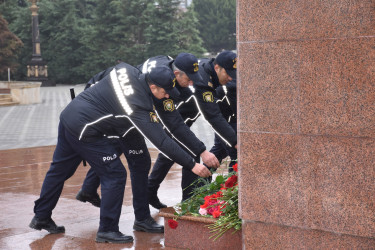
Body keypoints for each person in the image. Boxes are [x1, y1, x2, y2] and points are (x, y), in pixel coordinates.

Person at [29, 62, 212, 244]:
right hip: (87, 129)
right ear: (152, 86)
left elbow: (99, 79)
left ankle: (41, 216)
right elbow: (162, 141)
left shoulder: (128, 69)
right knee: (114, 174)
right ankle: (107, 230)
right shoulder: (138, 104)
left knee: (61, 170)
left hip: (72, 115)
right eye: (164, 93)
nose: (166, 97)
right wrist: (192, 164)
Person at [76, 53, 220, 210]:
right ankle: (148, 206)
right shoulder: (163, 77)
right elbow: (170, 129)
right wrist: (198, 154)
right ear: (176, 73)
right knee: (131, 152)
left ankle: (89, 190)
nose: (192, 83)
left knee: (120, 145)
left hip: (132, 100)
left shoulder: (167, 69)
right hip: (119, 100)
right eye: (189, 79)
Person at [148, 50, 238, 207]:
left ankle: (186, 201)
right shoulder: (181, 80)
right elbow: (213, 116)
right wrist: (234, 141)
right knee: (184, 152)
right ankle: (188, 202)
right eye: (188, 79)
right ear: (217, 68)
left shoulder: (200, 72)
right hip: (173, 119)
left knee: (178, 151)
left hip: (184, 118)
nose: (191, 82)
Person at [210, 79, 237, 171]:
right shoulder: (228, 85)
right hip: (229, 122)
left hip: (226, 121)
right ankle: (233, 183)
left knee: (219, 151)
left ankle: (199, 181)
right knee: (237, 156)